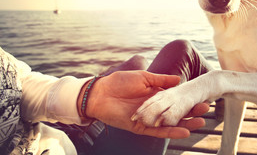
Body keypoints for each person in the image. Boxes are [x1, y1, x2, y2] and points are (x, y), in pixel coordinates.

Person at [0, 40, 213, 155]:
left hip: (53, 127)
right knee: (180, 51)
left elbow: (14, 83)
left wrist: (88, 96)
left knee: (137, 62)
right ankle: (225, 92)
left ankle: (95, 108)